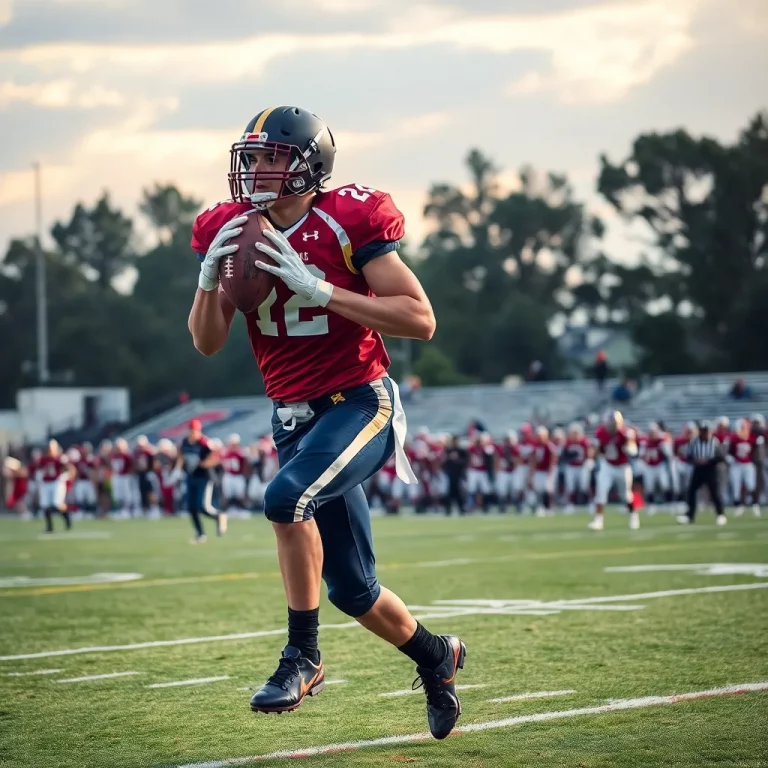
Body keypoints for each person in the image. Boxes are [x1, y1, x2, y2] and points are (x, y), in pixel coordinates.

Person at [187, 106, 465, 739]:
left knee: (286, 498)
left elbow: (419, 319)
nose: (253, 170)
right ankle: (437, 657)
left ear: (307, 165)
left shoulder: (347, 221)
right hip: (294, 420)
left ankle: (302, 657)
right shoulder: (229, 229)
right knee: (353, 590)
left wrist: (322, 290)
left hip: (360, 403)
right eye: (249, 157)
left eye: (269, 157)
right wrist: (208, 282)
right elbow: (206, 343)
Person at [178, 420, 227, 542]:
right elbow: (180, 456)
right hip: (191, 476)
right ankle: (200, 534)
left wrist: (203, 463)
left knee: (202, 506)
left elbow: (217, 458)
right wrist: (178, 469)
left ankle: (219, 516)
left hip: (204, 477)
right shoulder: (185, 442)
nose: (192, 433)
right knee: (191, 507)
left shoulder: (205, 443)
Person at [676, 421, 726, 525]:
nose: (705, 433)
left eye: (706, 431)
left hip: (711, 470)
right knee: (691, 491)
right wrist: (696, 460)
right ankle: (690, 516)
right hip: (698, 469)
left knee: (715, 492)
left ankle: (720, 514)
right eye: (703, 431)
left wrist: (708, 461)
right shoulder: (694, 442)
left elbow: (720, 457)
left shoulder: (714, 441)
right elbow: (688, 456)